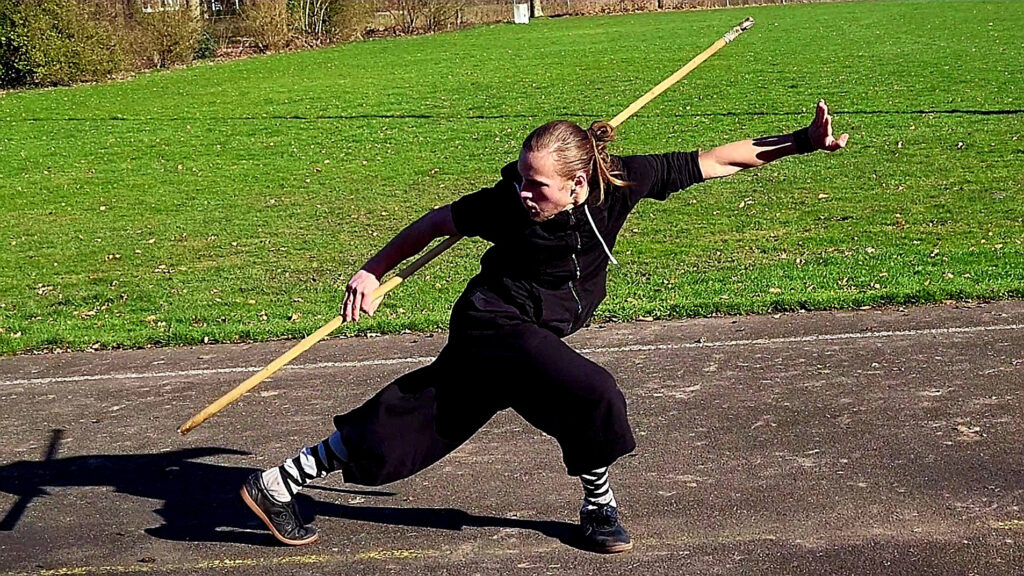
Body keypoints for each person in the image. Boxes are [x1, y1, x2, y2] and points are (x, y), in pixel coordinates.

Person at [241, 99, 849, 553]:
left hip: (531, 333)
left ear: (580, 183)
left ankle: (278, 483)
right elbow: (435, 222)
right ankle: (599, 507)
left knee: (420, 418)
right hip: (495, 324)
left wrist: (801, 141)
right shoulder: (508, 203)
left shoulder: (622, 184)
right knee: (591, 391)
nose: (523, 191)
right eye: (522, 178)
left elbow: (720, 159)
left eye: (538, 184)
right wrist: (372, 271)